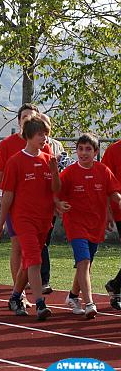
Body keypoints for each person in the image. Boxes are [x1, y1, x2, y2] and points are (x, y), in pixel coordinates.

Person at [0, 114, 60, 320]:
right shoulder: (15, 161)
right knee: (35, 260)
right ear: (28, 136)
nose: (44, 138)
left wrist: (55, 172)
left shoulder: (48, 159)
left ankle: (14, 297)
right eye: (40, 134)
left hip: (44, 219)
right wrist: (1, 223)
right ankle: (40, 304)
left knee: (28, 262)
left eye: (46, 134)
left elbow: (56, 189)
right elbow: (7, 195)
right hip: (23, 219)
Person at [55, 133, 121, 319]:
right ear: (76, 151)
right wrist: (58, 204)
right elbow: (55, 193)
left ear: (96, 152)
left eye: (88, 149)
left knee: (86, 263)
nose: (84, 153)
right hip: (75, 224)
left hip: (96, 224)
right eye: (80, 149)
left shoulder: (103, 171)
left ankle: (73, 296)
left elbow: (113, 193)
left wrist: (117, 204)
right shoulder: (69, 173)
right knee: (83, 261)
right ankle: (89, 303)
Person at [99, 135, 121, 310]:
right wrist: (107, 212)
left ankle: (115, 285)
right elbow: (105, 183)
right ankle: (115, 285)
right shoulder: (113, 150)